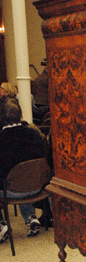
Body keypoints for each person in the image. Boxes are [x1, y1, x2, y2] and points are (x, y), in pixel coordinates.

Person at [0, 97, 48, 242]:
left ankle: (1, 225)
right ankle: (30, 217)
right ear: (20, 114)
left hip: (11, 191)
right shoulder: (35, 134)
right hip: (36, 186)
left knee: (10, 180)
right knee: (21, 177)